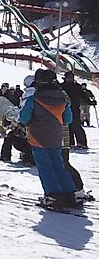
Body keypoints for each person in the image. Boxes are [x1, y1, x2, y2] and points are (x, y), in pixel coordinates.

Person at [19, 69, 78, 210]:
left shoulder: (34, 98)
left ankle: (53, 196)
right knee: (59, 165)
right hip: (56, 137)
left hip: (38, 138)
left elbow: (24, 118)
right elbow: (68, 120)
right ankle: (69, 193)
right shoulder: (63, 99)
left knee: (46, 167)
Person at [61, 72, 88, 149]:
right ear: (65, 78)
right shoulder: (62, 86)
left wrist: (90, 101)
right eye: (68, 77)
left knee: (76, 125)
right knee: (68, 126)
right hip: (64, 108)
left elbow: (83, 95)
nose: (70, 79)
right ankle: (70, 142)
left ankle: (81, 142)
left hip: (75, 108)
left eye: (71, 77)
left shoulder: (77, 86)